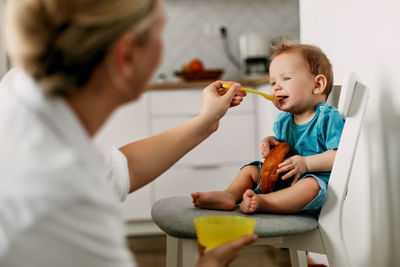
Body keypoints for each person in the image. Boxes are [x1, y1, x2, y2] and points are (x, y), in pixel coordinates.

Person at [0, 0, 257, 266]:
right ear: (125, 55)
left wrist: (206, 121)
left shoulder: (18, 89)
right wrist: (211, 263)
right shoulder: (66, 198)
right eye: (159, 33)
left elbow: (122, 168)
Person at [192, 41, 345, 216]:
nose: (276, 87)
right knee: (251, 170)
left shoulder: (327, 118)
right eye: (273, 83)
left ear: (317, 85)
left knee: (309, 186)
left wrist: (306, 163)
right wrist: (270, 142)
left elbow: (339, 156)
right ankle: (229, 195)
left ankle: (263, 202)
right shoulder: (283, 121)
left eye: (286, 78)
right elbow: (282, 150)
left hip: (312, 183)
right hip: (283, 181)